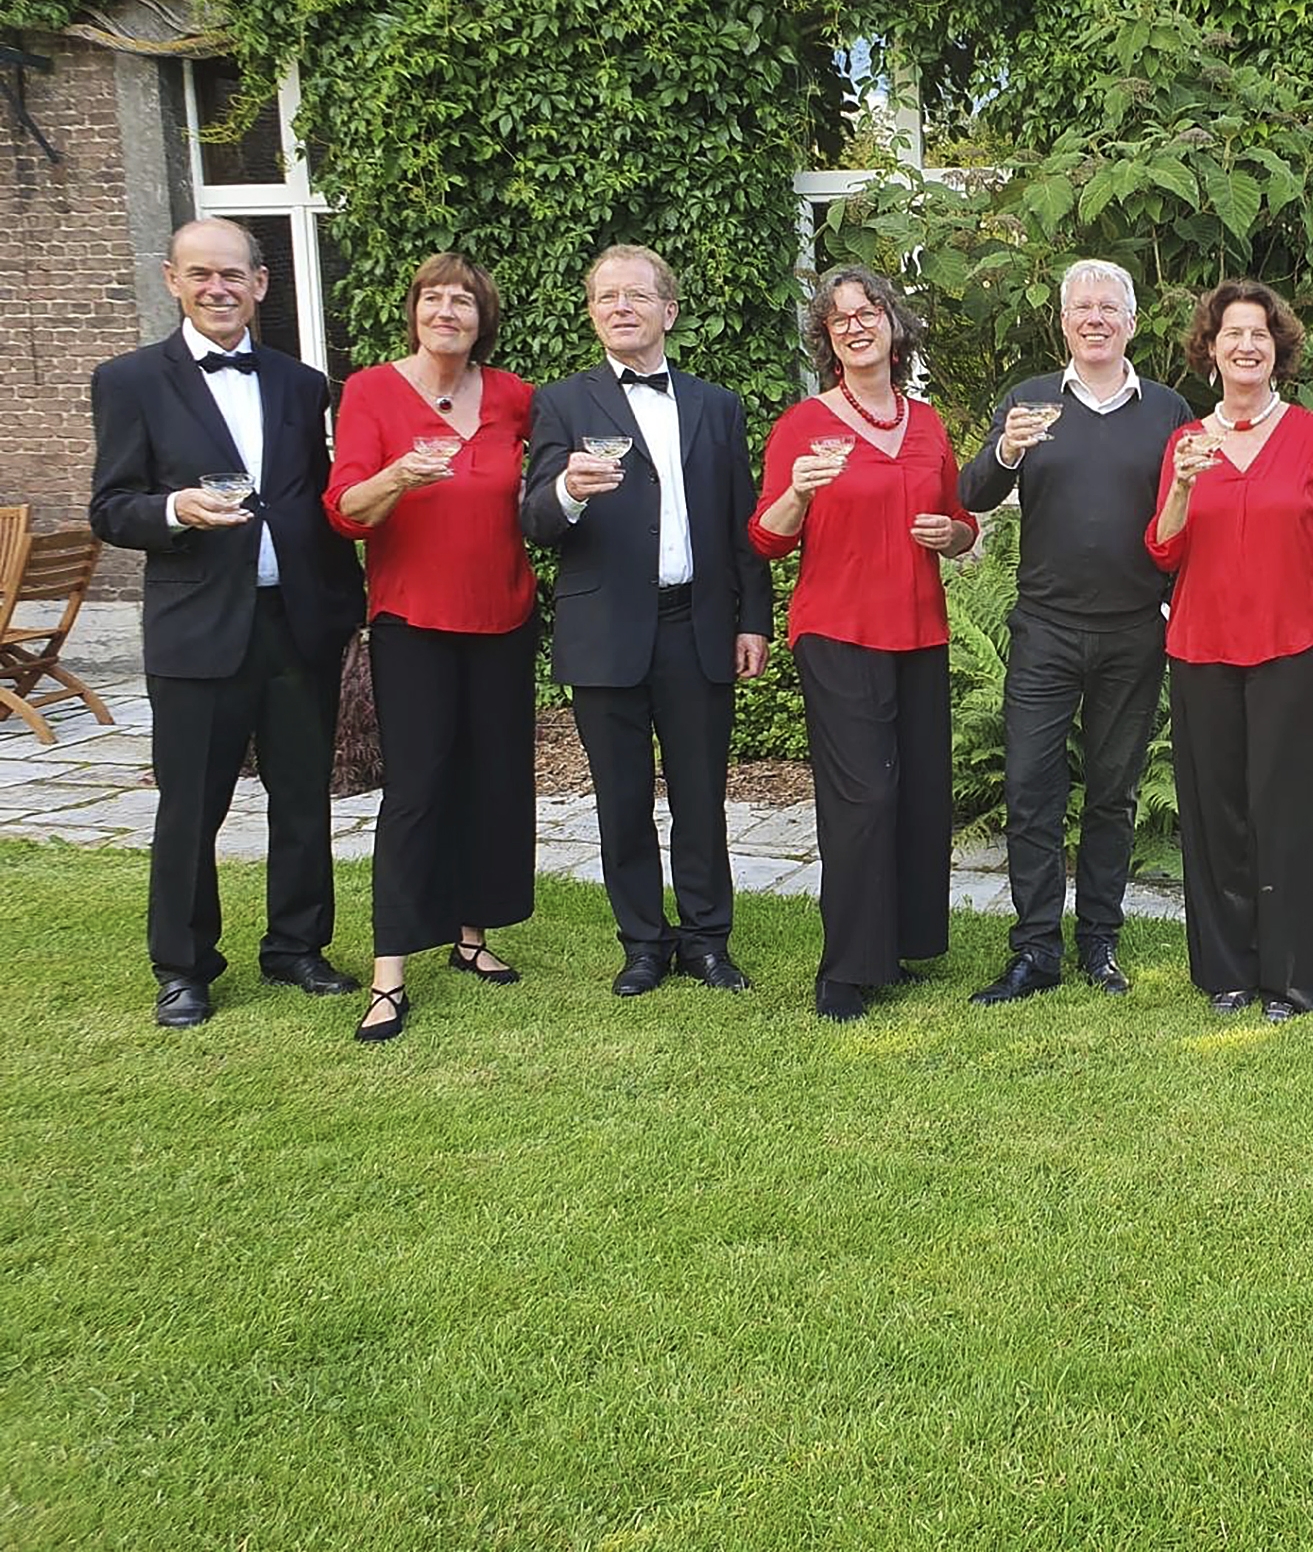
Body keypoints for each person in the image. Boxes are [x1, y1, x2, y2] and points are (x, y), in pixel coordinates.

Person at [89, 217, 367, 1028]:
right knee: (190, 806)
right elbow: (110, 506)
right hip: (198, 627)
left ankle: (297, 946)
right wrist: (175, 507)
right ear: (172, 279)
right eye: (201, 274)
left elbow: (315, 498)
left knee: (303, 797)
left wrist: (344, 607)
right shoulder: (130, 380)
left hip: (296, 624)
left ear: (260, 284)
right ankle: (183, 967)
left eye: (233, 274)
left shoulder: (300, 383)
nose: (218, 288)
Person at [521, 244, 773, 999]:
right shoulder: (562, 404)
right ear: (592, 314)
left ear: (669, 310)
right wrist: (568, 489)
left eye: (635, 294)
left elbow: (742, 525)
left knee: (701, 798)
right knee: (621, 801)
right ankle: (641, 943)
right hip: (604, 632)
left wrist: (753, 619)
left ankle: (707, 941)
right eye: (606, 297)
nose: (620, 307)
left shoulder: (717, 406)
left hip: (697, 624)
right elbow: (535, 522)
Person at [957, 259, 1190, 1006]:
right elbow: (972, 493)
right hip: (1045, 630)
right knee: (1031, 788)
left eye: (1108, 308)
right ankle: (1035, 949)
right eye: (1081, 307)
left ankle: (1099, 941)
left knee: (1113, 794)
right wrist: (1007, 449)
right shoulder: (1028, 402)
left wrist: (1174, 606)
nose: (1095, 318)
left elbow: (1193, 515)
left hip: (1133, 631)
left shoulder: (1167, 410)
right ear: (1063, 323)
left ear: (1131, 322)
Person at [752, 265, 978, 1022]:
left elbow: (960, 523)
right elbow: (767, 537)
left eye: (868, 311)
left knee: (917, 793)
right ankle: (845, 970)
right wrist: (798, 491)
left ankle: (901, 945)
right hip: (838, 630)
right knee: (863, 796)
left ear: (893, 325)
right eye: (839, 318)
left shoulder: (928, 424)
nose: (855, 325)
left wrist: (953, 535)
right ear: (827, 337)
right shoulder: (803, 425)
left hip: (919, 629)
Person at [324, 253, 538, 1043]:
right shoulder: (370, 392)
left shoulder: (513, 396)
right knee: (416, 792)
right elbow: (345, 510)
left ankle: (470, 936)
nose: (447, 311)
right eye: (433, 298)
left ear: (483, 319)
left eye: (463, 301)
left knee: (491, 783)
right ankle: (389, 975)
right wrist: (397, 477)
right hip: (412, 621)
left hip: (504, 618)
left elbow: (545, 482)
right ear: (413, 311)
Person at [1146, 279, 1313, 1023]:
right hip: (1202, 650)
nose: (1246, 345)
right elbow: (1163, 548)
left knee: (1286, 817)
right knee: (1216, 817)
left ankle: (1289, 980)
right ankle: (1227, 972)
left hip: (1294, 650)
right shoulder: (1185, 443)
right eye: (1232, 333)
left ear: (1278, 350)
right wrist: (1181, 485)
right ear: (1210, 349)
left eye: (1259, 335)